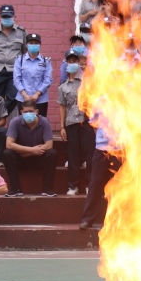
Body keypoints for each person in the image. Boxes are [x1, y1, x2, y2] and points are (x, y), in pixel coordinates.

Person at [4, 98, 55, 197]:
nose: (28, 114)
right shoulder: (15, 121)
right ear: (21, 112)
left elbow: (49, 145)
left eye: (31, 111)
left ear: (36, 111)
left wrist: (28, 153)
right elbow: (9, 144)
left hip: (38, 157)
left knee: (52, 153)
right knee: (7, 153)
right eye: (25, 112)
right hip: (21, 159)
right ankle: (15, 189)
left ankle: (47, 189)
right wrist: (32, 150)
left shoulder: (44, 121)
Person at [56, 53, 90, 195]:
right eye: (69, 61)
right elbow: (62, 106)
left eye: (75, 61)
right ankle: (73, 186)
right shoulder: (62, 87)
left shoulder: (86, 82)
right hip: (71, 123)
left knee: (89, 156)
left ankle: (89, 185)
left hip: (86, 121)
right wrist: (62, 126)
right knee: (73, 155)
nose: (72, 63)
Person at [12, 31, 53, 117]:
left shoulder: (46, 61)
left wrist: (37, 94)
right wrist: (25, 95)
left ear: (40, 45)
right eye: (31, 43)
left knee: (40, 123)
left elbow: (48, 80)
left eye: (36, 43)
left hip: (40, 99)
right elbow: (16, 79)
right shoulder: (20, 60)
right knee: (23, 124)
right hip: (22, 98)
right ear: (26, 45)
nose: (33, 45)